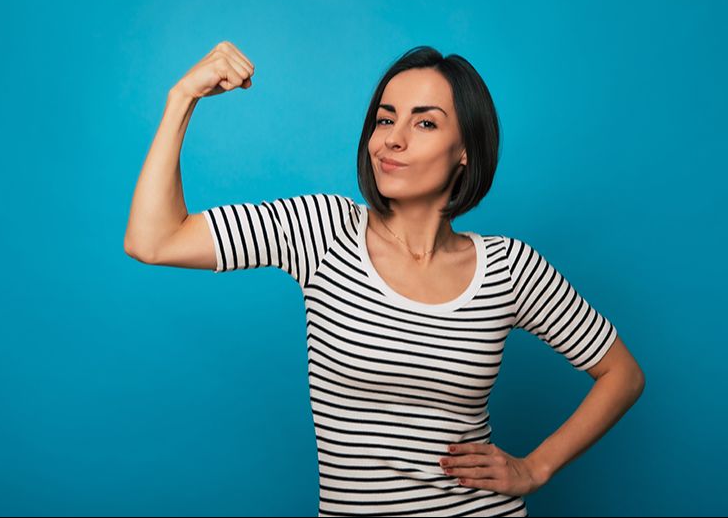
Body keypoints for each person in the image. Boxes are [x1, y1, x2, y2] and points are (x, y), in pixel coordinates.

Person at [124, 41, 645, 517]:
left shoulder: (508, 268)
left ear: (466, 149)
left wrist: (536, 467)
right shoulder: (321, 230)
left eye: (425, 123)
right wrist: (182, 99)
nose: (392, 140)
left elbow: (623, 374)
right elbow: (155, 240)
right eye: (384, 119)